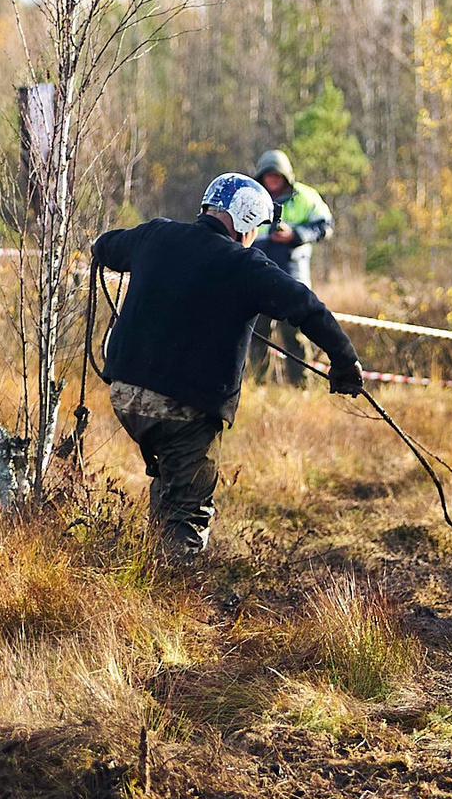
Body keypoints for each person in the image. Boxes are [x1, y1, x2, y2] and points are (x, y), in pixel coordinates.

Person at [94, 173, 364, 556]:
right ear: (245, 222)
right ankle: (173, 583)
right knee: (187, 513)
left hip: (125, 395)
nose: (255, 236)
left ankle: (149, 567)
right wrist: (345, 362)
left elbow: (103, 247)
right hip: (183, 407)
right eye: (256, 227)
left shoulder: (155, 234)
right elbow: (307, 306)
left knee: (171, 478)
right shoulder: (246, 265)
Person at [250, 150, 335, 385]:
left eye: (277, 176)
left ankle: (301, 385)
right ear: (261, 176)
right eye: (268, 175)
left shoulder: (306, 196)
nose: (273, 180)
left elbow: (325, 226)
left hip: (293, 277)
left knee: (295, 334)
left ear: (286, 176)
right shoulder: (251, 197)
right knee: (257, 334)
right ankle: (258, 384)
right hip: (258, 276)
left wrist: (295, 235)